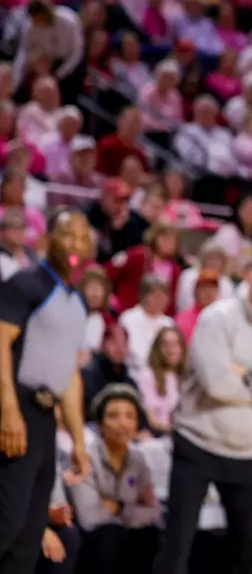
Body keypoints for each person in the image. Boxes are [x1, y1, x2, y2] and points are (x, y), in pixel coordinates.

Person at [154, 245, 252, 574]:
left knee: (251, 552)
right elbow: (217, 385)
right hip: (197, 443)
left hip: (247, 452)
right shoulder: (217, 318)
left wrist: (247, 376)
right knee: (177, 547)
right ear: (248, 275)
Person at [0, 212, 93, 574]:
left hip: (44, 420)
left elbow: (69, 375)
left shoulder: (77, 303)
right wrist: (8, 409)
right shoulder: (25, 284)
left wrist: (79, 442)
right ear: (48, 239)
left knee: (28, 534)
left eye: (83, 238)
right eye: (67, 235)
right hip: (17, 408)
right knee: (6, 524)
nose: (75, 244)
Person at [66, 383, 162, 573]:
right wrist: (133, 510)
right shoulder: (84, 458)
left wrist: (119, 508)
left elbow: (154, 512)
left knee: (152, 536)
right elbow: (88, 517)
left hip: (129, 537)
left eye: (130, 416)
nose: (123, 424)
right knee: (110, 536)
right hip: (92, 544)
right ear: (100, 424)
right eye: (113, 416)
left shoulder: (139, 459)